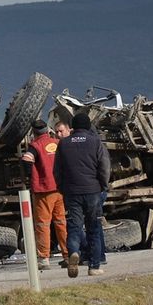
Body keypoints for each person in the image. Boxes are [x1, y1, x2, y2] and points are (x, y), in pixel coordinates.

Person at [54, 113, 110, 278]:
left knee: (74, 227)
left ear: (73, 127)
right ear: (87, 126)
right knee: (93, 228)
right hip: (92, 190)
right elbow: (104, 167)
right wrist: (103, 186)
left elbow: (57, 170)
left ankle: (73, 252)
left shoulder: (63, 144)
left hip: (72, 192)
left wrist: (62, 188)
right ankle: (94, 266)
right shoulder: (95, 142)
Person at [21, 120, 68, 270]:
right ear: (48, 130)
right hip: (59, 189)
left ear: (34, 132)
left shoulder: (35, 145)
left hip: (43, 190)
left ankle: (44, 258)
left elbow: (27, 159)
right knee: (61, 222)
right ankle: (67, 254)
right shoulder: (57, 143)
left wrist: (30, 175)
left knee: (43, 225)